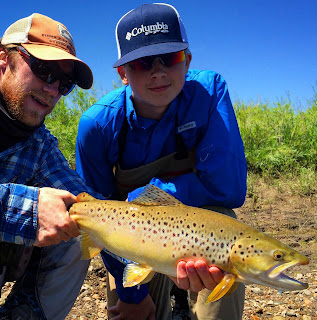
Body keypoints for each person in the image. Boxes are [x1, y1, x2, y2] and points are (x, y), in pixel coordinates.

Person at [76, 3, 247, 320]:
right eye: (141, 63)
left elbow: (229, 190)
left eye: (170, 58)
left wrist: (151, 195)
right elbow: (97, 220)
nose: (157, 71)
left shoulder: (209, 93)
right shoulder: (97, 126)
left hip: (196, 229)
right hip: (129, 234)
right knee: (132, 311)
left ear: (187, 60)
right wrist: (132, 296)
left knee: (228, 229)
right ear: (122, 74)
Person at [0, 13, 105, 320]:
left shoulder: (40, 143)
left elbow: (82, 199)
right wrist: (29, 210)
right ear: (4, 61)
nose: (53, 90)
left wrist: (163, 250)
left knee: (77, 220)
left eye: (65, 83)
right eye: (44, 70)